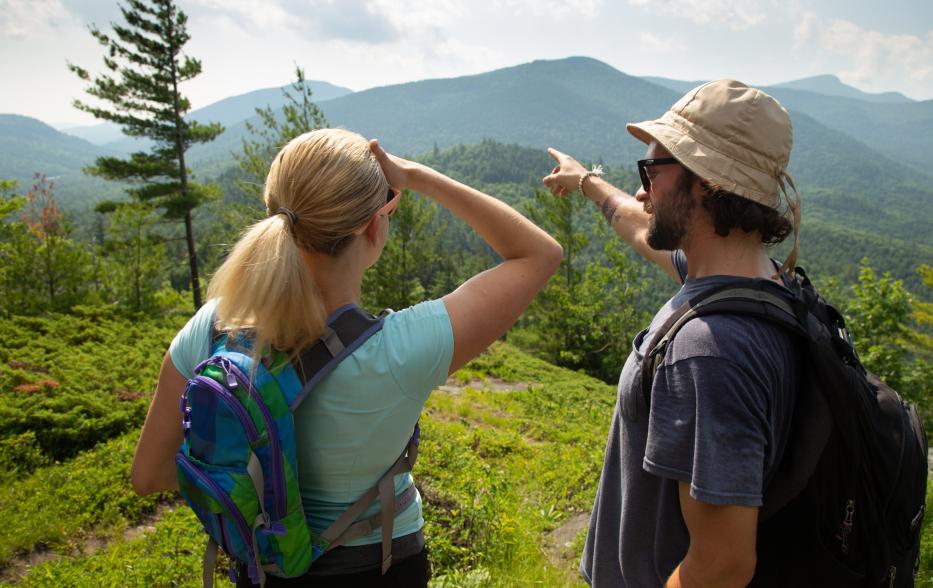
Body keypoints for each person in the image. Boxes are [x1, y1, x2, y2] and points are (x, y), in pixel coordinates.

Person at [131, 128, 562, 587]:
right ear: (375, 225)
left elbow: (149, 474)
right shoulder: (400, 351)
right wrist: (417, 177)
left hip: (264, 568)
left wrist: (253, 478)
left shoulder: (216, 327)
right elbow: (538, 254)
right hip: (377, 568)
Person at [543, 80, 803, 587]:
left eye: (652, 170)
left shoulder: (710, 350)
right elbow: (639, 224)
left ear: (705, 182)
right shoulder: (765, 284)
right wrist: (585, 181)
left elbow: (722, 564)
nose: (641, 188)